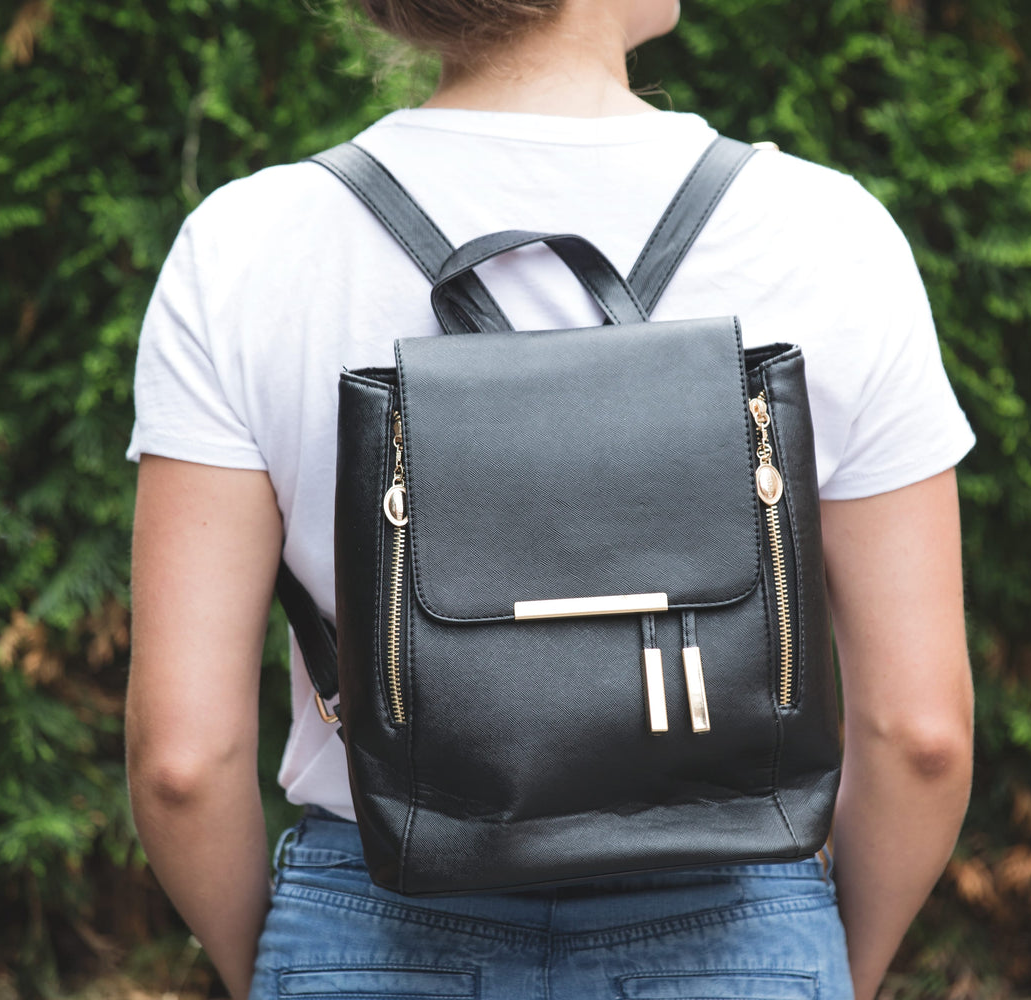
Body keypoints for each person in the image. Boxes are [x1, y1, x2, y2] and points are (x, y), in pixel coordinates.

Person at [123, 0, 977, 994]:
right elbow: (921, 737)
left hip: (375, 924)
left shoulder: (245, 247)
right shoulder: (827, 236)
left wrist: (282, 966)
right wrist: (825, 965)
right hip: (737, 933)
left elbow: (183, 761)